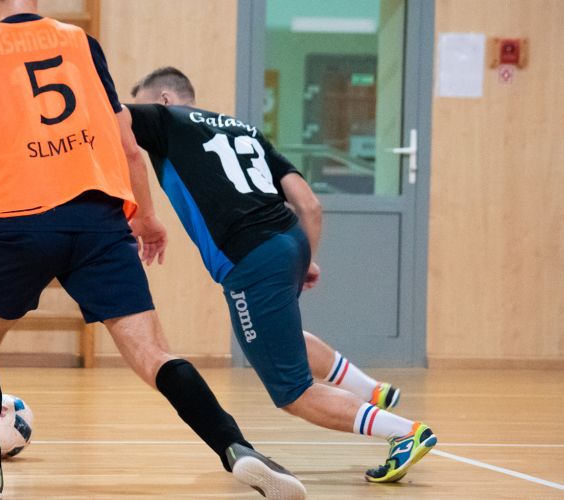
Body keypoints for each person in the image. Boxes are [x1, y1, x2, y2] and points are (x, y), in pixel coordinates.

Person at [0, 3, 305, 499]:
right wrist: (146, 217)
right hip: (101, 224)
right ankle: (237, 448)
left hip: (23, 225)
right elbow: (128, 146)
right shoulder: (80, 43)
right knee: (154, 354)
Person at [127, 67, 437, 484]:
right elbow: (309, 205)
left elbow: (110, 116)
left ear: (164, 99)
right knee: (281, 338)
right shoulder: (245, 130)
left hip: (250, 258)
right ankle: (370, 390)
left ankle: (404, 433)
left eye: (144, 104)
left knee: (293, 392)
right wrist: (306, 259)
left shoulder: (164, 120)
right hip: (290, 239)